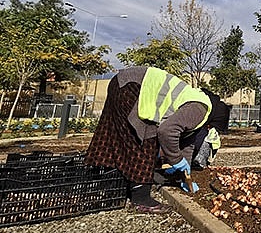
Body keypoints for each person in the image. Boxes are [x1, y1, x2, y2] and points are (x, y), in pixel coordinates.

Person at [84, 66, 227, 213]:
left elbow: (187, 143)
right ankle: (141, 199)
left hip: (123, 82)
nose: (208, 130)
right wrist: (176, 160)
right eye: (211, 127)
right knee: (144, 140)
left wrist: (184, 174)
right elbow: (166, 131)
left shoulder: (199, 103)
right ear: (213, 121)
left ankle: (107, 183)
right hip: (133, 87)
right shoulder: (200, 109)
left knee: (117, 137)